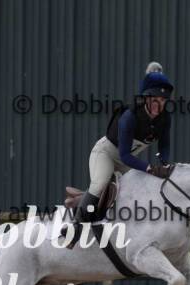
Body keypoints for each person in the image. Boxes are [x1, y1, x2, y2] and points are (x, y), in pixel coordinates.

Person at [66, 62, 175, 246]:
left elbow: (164, 145)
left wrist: (164, 164)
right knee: (100, 184)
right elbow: (124, 155)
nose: (159, 105)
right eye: (155, 100)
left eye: (163, 101)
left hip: (126, 162)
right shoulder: (129, 117)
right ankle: (75, 228)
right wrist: (150, 168)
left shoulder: (165, 118)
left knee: (139, 191)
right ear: (146, 99)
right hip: (106, 154)